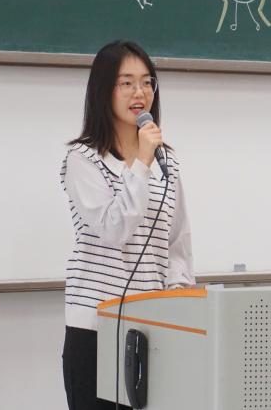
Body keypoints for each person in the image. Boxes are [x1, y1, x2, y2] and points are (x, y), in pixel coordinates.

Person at [60, 40, 195, 410]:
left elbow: (177, 241)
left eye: (147, 82)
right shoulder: (83, 159)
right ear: (103, 90)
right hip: (95, 328)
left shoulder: (167, 161)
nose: (140, 92)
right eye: (127, 83)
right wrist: (141, 163)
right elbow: (114, 229)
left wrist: (178, 298)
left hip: (153, 327)